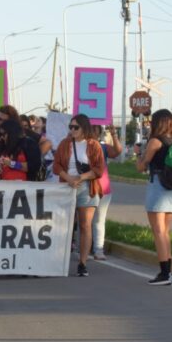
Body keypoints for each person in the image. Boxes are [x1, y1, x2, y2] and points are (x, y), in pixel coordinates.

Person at [53, 114, 105, 278]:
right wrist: (68, 178)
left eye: (76, 127)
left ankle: (82, 263)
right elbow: (56, 165)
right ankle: (58, 260)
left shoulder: (93, 145)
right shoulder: (65, 144)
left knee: (85, 225)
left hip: (87, 187)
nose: (72, 130)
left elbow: (99, 169)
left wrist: (81, 177)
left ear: (84, 128)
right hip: (67, 186)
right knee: (63, 225)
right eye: (71, 127)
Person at [136, 109, 172, 286]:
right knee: (165, 231)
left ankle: (165, 273)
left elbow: (141, 167)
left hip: (158, 185)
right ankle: (168, 271)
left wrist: (138, 153)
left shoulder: (155, 141)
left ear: (157, 123)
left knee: (158, 231)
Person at [91, 124, 122, 260]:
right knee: (84, 221)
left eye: (96, 132)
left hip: (102, 188)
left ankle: (98, 249)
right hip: (85, 188)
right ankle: (81, 249)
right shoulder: (78, 146)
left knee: (99, 220)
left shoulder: (103, 147)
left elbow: (117, 151)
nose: (93, 134)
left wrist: (114, 134)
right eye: (90, 131)